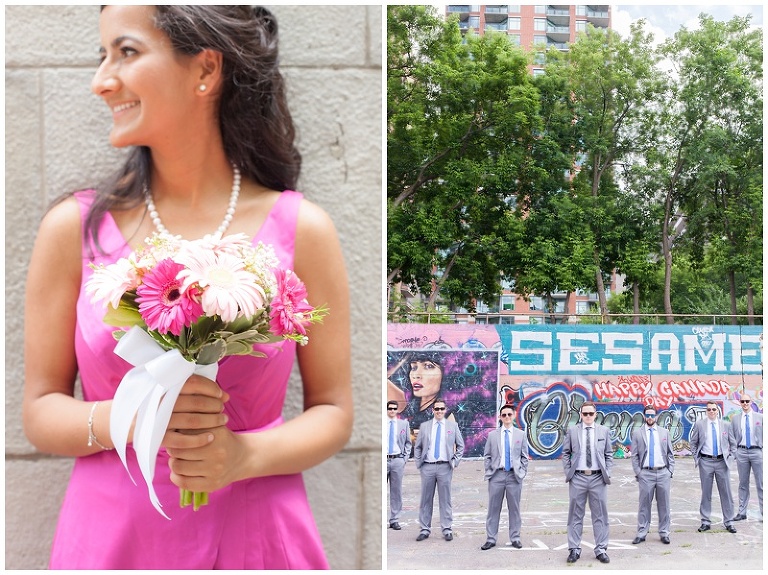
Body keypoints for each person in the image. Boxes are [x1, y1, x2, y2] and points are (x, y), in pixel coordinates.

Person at [22, 5, 352, 570]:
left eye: (125, 52)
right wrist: (130, 417)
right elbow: (40, 411)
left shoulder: (303, 230)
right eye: (102, 56)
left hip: (258, 536)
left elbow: (334, 411)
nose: (101, 81)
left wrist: (242, 455)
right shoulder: (72, 230)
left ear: (205, 70)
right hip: (112, 539)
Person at [562, 401, 613, 564]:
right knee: (575, 515)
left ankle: (601, 549)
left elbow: (609, 454)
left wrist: (607, 472)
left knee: (600, 515)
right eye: (585, 414)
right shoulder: (573, 431)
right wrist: (569, 472)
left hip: (598, 478)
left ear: (595, 414)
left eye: (591, 414)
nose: (588, 416)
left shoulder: (604, 431)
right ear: (581, 414)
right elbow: (565, 453)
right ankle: (574, 549)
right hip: (578, 478)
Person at [413, 398, 464, 542]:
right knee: (425, 500)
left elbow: (460, 446)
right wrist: (419, 464)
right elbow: (417, 447)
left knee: (445, 499)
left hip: (445, 467)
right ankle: (424, 529)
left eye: (442, 409)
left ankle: (447, 529)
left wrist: (454, 462)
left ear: (445, 410)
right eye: (437, 409)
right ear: (432, 410)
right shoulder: (425, 426)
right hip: (427, 466)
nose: (439, 411)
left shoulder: (452, 426)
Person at [481, 404, 529, 551]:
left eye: (509, 414)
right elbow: (487, 456)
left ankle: (515, 538)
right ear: (500, 417)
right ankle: (491, 538)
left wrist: (522, 472)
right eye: (504, 415)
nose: (507, 417)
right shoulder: (492, 435)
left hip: (514, 476)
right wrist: (490, 470)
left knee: (514, 509)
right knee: (493, 509)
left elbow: (524, 457)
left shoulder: (520, 435)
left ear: (513, 415)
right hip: (497, 475)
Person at [689, 401, 737, 534]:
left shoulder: (726, 425)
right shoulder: (700, 425)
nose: (711, 411)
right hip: (706, 462)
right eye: (709, 409)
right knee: (706, 493)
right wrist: (697, 458)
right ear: (706, 411)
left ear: (717, 411)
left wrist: (731, 458)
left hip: (722, 462)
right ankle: (705, 521)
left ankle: (729, 522)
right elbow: (693, 442)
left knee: (726, 493)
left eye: (713, 409)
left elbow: (733, 444)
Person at [630, 406, 675, 545]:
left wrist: (670, 471)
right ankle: (642, 532)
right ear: (644, 416)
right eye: (647, 415)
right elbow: (634, 455)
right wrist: (639, 472)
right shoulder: (638, 433)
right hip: (646, 473)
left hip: (663, 473)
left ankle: (664, 533)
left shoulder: (664, 432)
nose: (650, 418)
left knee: (664, 505)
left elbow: (670, 453)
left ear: (656, 416)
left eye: (652, 415)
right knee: (644, 505)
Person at [728, 394, 763, 521]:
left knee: (761, 483)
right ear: (740, 402)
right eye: (742, 401)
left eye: (747, 401)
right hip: (742, 452)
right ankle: (742, 512)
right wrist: (735, 451)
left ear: (751, 401)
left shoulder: (760, 417)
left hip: (757, 452)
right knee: (743, 483)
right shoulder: (736, 419)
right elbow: (731, 436)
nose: (745, 403)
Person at [386, 400, 412, 530]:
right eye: (390, 408)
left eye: (394, 408)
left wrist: (404, 458)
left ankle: (394, 519)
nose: (392, 410)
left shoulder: (403, 424)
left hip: (397, 460)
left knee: (396, 491)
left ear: (397, 410)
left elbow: (408, 442)